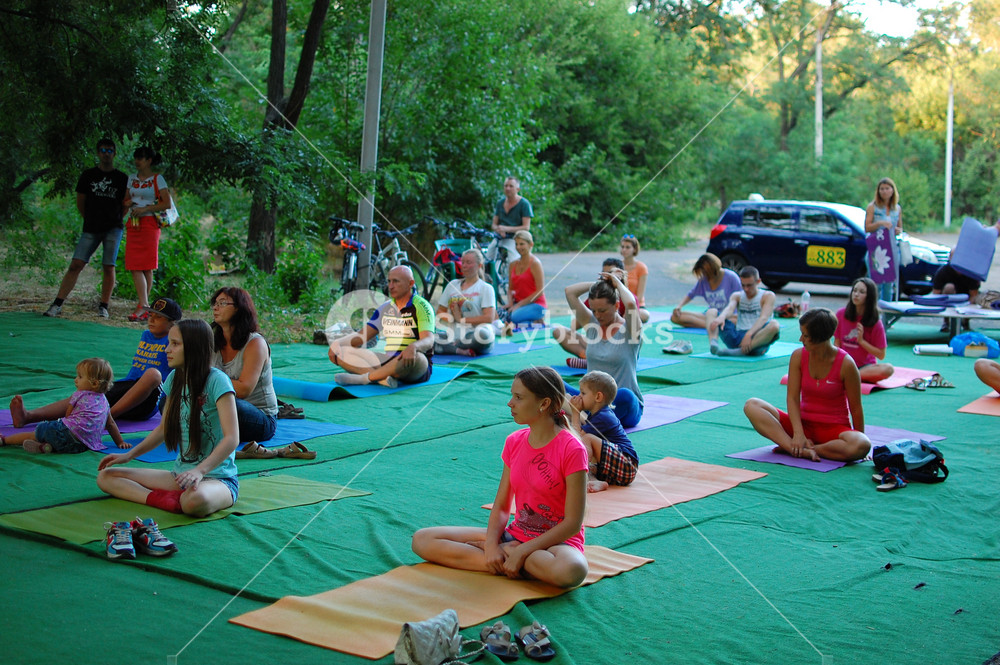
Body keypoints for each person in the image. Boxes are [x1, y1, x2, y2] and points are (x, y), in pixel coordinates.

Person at [411, 366, 588, 589]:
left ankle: (508, 559)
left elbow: (573, 523)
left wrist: (522, 550)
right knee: (422, 539)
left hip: (555, 546)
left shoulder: (572, 449)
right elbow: (502, 506)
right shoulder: (515, 441)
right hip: (515, 535)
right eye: (512, 396)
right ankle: (506, 561)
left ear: (544, 404)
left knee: (571, 571)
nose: (510, 403)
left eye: (518, 397)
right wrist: (492, 545)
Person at [97, 319, 240, 518]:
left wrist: (199, 471)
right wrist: (129, 455)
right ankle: (161, 500)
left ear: (193, 347)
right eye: (168, 343)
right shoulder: (174, 378)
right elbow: (164, 428)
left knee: (194, 501)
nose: (167, 350)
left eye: (175, 344)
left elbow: (232, 438)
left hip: (217, 480)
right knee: (106, 476)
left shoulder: (218, 381)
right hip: (179, 478)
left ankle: (179, 500)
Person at [10, 297, 181, 427]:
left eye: (158, 317)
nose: (151, 320)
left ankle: (108, 417)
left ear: (172, 324)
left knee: (153, 374)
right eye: (150, 315)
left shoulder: (174, 340)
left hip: (149, 398)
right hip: (128, 387)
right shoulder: (146, 335)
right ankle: (29, 416)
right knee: (86, 393)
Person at [744, 308, 871, 462]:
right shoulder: (798, 356)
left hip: (833, 431)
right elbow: (792, 398)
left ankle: (809, 449)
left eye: (805, 336)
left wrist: (860, 442)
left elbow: (856, 408)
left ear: (819, 338)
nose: (800, 339)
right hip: (801, 426)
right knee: (752, 405)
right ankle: (793, 447)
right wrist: (798, 434)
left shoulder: (846, 364)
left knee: (862, 444)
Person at [43, 138, 129, 319]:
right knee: (76, 264)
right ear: (98, 153)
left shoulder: (122, 178)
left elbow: (125, 204)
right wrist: (89, 218)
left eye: (110, 151)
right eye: (103, 150)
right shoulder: (88, 175)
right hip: (91, 227)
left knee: (109, 266)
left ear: (114, 154)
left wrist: (115, 219)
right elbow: (80, 201)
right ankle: (57, 304)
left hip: (113, 228)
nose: (106, 154)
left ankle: (104, 306)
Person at [554, 272, 644, 428]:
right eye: (594, 310)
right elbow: (570, 292)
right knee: (549, 379)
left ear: (616, 306)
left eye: (602, 311)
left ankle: (578, 418)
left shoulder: (631, 330)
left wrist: (616, 283)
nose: (597, 315)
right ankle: (585, 419)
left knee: (625, 395)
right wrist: (601, 284)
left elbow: (630, 304)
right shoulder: (592, 324)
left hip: (621, 405)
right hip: (590, 403)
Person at [328, 265, 435, 387]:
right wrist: (337, 343)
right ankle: (383, 379)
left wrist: (413, 347)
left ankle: (365, 378)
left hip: (414, 364)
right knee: (341, 352)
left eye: (396, 281)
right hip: (387, 360)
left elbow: (429, 339)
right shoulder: (385, 307)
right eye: (389, 281)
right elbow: (362, 336)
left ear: (410, 283)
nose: (391, 286)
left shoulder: (422, 306)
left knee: (416, 356)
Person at [1, 358, 128, 454]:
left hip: (66, 434)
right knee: (58, 439)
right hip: (82, 446)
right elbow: (110, 424)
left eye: (80, 377)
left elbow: (67, 416)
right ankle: (45, 447)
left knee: (37, 432)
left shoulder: (79, 395)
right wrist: (120, 442)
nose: (75, 379)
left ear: (94, 383)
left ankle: (5, 440)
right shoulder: (104, 402)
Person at [210, 287, 278, 442]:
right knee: (171, 399)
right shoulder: (212, 341)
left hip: (260, 417)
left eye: (222, 303)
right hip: (220, 406)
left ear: (239, 308)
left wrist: (206, 381)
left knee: (231, 405)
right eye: (215, 303)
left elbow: (243, 389)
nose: (215, 307)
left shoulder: (255, 343)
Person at [566, 370, 638, 493]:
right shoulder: (597, 415)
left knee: (587, 439)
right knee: (589, 464)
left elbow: (577, 438)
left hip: (627, 464)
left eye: (583, 393)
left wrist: (575, 412)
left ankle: (583, 474)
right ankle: (594, 481)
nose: (579, 396)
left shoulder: (603, 417)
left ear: (598, 397)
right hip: (615, 466)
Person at [124, 146, 172, 322]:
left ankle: (143, 306)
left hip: (150, 224)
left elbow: (166, 203)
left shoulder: (158, 179)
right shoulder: (131, 178)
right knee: (134, 264)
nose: (137, 161)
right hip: (134, 223)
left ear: (149, 160)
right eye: (136, 158)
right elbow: (125, 199)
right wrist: (128, 203)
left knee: (146, 266)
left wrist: (146, 208)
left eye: (141, 158)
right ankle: (144, 305)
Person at [434, 248, 497, 357]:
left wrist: (462, 320)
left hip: (476, 334)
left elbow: (489, 318)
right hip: (455, 334)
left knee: (483, 336)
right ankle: (461, 350)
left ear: (479, 266)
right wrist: (453, 318)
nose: (464, 265)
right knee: (427, 338)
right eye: (462, 262)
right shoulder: (452, 285)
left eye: (468, 262)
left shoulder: (486, 288)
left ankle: (454, 346)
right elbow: (440, 311)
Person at [707, 266, 780, 357]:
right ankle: (713, 343)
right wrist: (721, 317)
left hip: (756, 340)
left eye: (749, 285)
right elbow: (730, 309)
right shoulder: (737, 296)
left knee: (774, 325)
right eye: (743, 285)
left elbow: (764, 318)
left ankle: (741, 351)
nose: (746, 289)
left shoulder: (768, 296)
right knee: (711, 312)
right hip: (737, 338)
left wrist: (749, 334)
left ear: (758, 282)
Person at [835, 277, 894, 383]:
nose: (856, 294)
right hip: (843, 364)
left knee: (888, 369)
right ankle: (847, 375)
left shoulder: (875, 322)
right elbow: (837, 344)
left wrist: (861, 341)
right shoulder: (841, 314)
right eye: (854, 290)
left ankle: (850, 375)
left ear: (869, 296)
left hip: (865, 367)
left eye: (862, 292)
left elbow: (881, 354)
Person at [671, 253, 741, 329]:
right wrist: (679, 307)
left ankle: (713, 324)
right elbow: (691, 294)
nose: (705, 276)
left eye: (706, 273)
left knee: (737, 321)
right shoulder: (703, 280)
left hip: (728, 316)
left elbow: (741, 297)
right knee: (675, 317)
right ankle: (714, 325)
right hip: (710, 315)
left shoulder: (731, 277)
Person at [864, 177, 903, 302]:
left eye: (887, 188)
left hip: (890, 248)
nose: (884, 191)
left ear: (892, 191)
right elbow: (867, 228)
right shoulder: (873, 207)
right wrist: (880, 223)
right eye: (882, 189)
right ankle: (873, 309)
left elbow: (900, 228)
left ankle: (887, 310)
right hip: (876, 248)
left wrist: (897, 230)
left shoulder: (897, 209)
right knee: (876, 283)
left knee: (889, 284)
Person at [502, 230, 547, 327]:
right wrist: (510, 303)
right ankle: (532, 322)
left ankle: (536, 323)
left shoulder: (535, 263)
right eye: (516, 244)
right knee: (499, 315)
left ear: (531, 244)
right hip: (519, 304)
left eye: (522, 244)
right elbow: (510, 289)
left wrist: (518, 305)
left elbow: (540, 291)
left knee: (513, 317)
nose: (518, 247)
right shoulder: (513, 264)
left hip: (537, 305)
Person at [486, 176, 533, 263]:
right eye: (506, 186)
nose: (508, 188)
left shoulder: (524, 204)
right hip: (500, 237)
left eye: (511, 186)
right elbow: (494, 224)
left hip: (516, 238)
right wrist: (499, 229)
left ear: (517, 189)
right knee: (487, 258)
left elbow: (526, 227)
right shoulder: (500, 203)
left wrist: (506, 229)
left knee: (513, 261)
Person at [619, 234, 650, 323]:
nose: (624, 250)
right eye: (622, 247)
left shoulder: (641, 267)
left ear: (635, 249)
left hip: (636, 304)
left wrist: (630, 308)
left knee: (644, 315)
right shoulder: (617, 265)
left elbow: (639, 295)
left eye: (627, 247)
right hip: (619, 304)